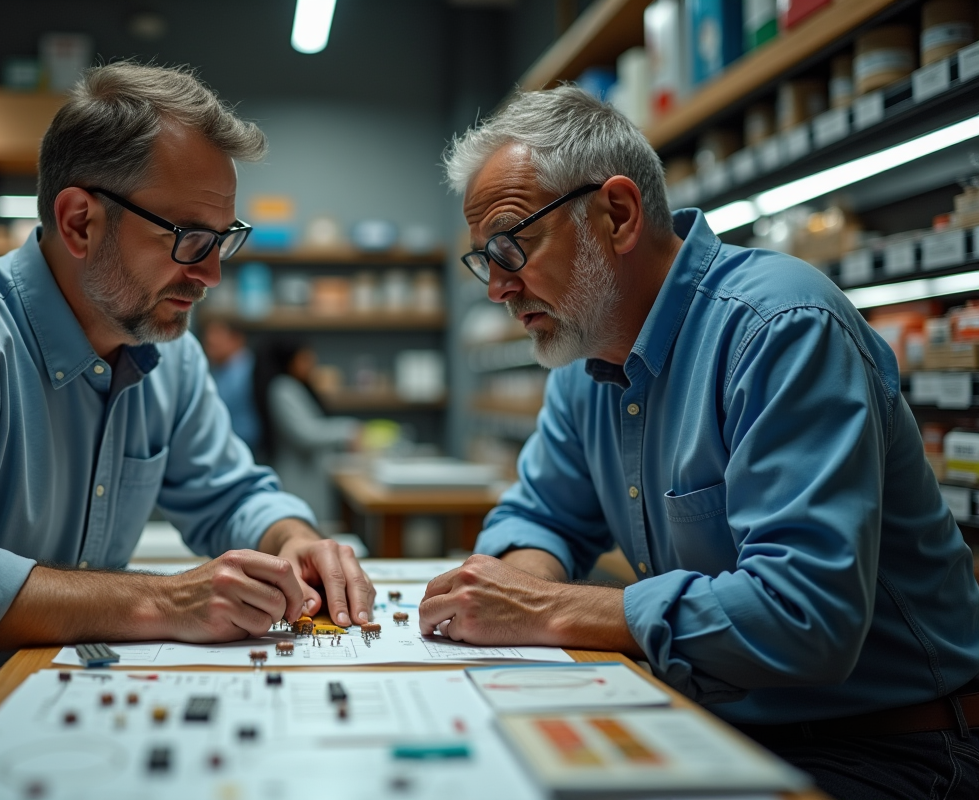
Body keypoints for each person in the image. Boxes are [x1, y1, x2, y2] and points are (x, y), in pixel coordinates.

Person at [0, 62, 374, 799]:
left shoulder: (168, 353)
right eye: (189, 237)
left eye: (224, 239)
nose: (212, 274)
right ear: (79, 222)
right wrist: (167, 601)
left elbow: (229, 493)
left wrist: (294, 538)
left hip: (34, 700)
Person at [418, 85, 979, 798]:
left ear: (618, 216)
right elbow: (542, 516)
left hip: (892, 745)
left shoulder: (779, 329)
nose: (496, 287)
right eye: (484, 259)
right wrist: (515, 588)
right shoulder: (584, 362)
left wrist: (544, 608)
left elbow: (805, 614)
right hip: (723, 722)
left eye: (510, 245)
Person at [253, 340, 360, 525]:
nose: (312, 363)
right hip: (299, 477)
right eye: (305, 358)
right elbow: (307, 433)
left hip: (307, 475)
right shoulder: (283, 388)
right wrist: (348, 430)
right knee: (305, 524)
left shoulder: (293, 386)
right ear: (290, 360)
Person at [200, 318, 262, 454]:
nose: (211, 341)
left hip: (245, 445)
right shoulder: (219, 369)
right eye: (208, 336)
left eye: (218, 334)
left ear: (236, 339)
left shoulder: (245, 369)